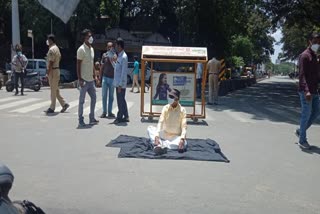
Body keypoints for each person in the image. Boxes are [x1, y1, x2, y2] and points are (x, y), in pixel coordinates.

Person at [295, 32, 320, 149]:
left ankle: (301, 130)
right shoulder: (304, 55)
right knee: (306, 114)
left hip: (315, 90)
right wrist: (307, 91)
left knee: (316, 113)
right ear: (309, 41)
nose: (317, 44)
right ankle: (302, 140)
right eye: (315, 41)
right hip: (306, 91)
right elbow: (302, 75)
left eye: (319, 42)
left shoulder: (315, 56)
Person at [148, 89, 187, 155]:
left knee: (184, 143)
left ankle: (161, 145)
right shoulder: (165, 108)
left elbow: (184, 126)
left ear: (177, 99)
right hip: (164, 134)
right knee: (150, 128)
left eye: (172, 97)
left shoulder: (182, 110)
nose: (169, 98)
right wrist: (157, 136)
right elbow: (160, 122)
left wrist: (182, 139)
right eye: (169, 96)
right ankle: (161, 144)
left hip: (175, 137)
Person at [77, 29, 99, 127]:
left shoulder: (91, 49)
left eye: (91, 35)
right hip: (84, 80)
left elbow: (92, 63)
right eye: (88, 36)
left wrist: (95, 75)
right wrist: (80, 79)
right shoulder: (81, 49)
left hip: (91, 80)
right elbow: (78, 65)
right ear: (84, 38)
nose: (90, 38)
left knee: (94, 98)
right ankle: (81, 119)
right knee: (81, 101)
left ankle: (92, 117)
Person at [45, 34, 70, 114]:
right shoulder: (57, 48)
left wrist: (48, 72)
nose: (47, 41)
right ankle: (64, 104)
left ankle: (52, 107)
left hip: (53, 71)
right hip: (56, 70)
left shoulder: (52, 49)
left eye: (48, 40)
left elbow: (51, 62)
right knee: (55, 90)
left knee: (53, 90)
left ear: (51, 40)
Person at [113, 38, 129, 124]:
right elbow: (117, 68)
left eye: (116, 45)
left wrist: (120, 85)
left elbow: (123, 72)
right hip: (118, 82)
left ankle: (119, 117)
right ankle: (126, 115)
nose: (115, 47)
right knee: (122, 99)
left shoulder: (124, 57)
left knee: (120, 100)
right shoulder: (119, 56)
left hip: (121, 84)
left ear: (119, 46)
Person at [100, 42, 116, 118]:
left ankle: (110, 112)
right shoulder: (104, 55)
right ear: (106, 48)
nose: (109, 48)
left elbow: (116, 66)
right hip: (105, 78)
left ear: (113, 48)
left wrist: (112, 58)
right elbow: (101, 66)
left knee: (111, 97)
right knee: (104, 96)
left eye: (111, 47)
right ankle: (104, 112)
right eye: (108, 47)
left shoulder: (115, 55)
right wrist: (99, 77)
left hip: (112, 78)